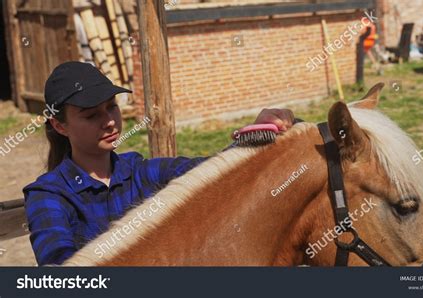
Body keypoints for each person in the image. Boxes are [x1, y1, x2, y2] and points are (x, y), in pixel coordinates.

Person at [23, 61, 295, 266]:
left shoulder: (139, 172)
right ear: (59, 125)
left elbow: (212, 169)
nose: (108, 121)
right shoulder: (48, 195)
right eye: (91, 115)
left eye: (112, 107)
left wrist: (258, 133)